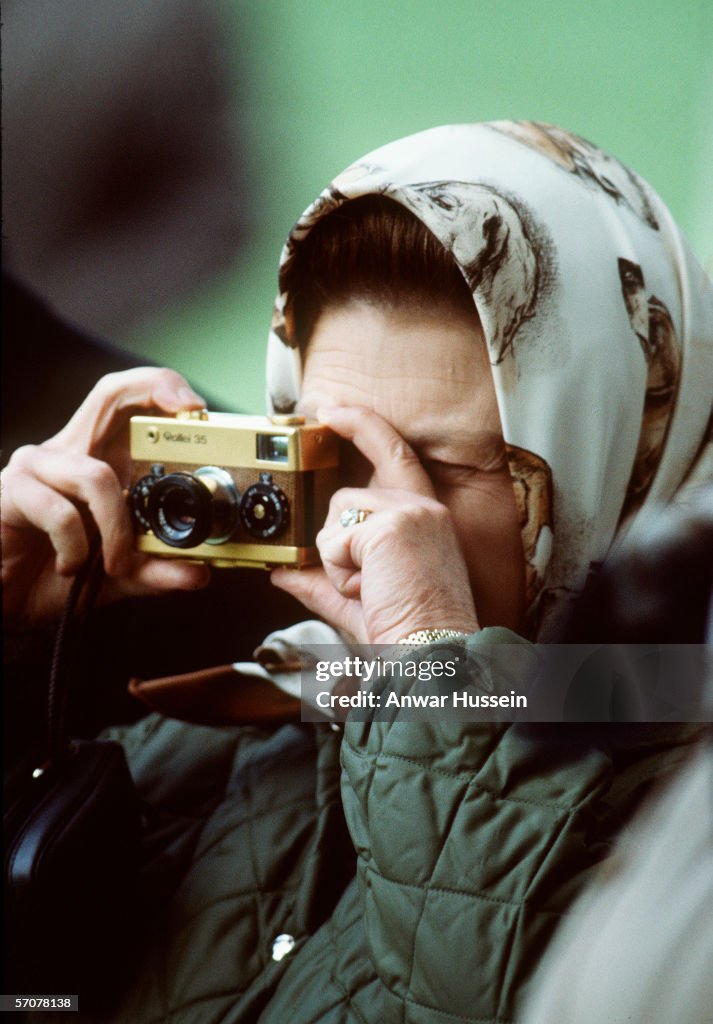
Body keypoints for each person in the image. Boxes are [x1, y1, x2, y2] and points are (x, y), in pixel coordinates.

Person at [2, 121, 712, 1022]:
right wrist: (12, 640)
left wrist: (431, 671)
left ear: (615, 461)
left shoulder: (687, 810)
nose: (368, 520)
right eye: (331, 452)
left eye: (444, 469)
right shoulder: (256, 717)